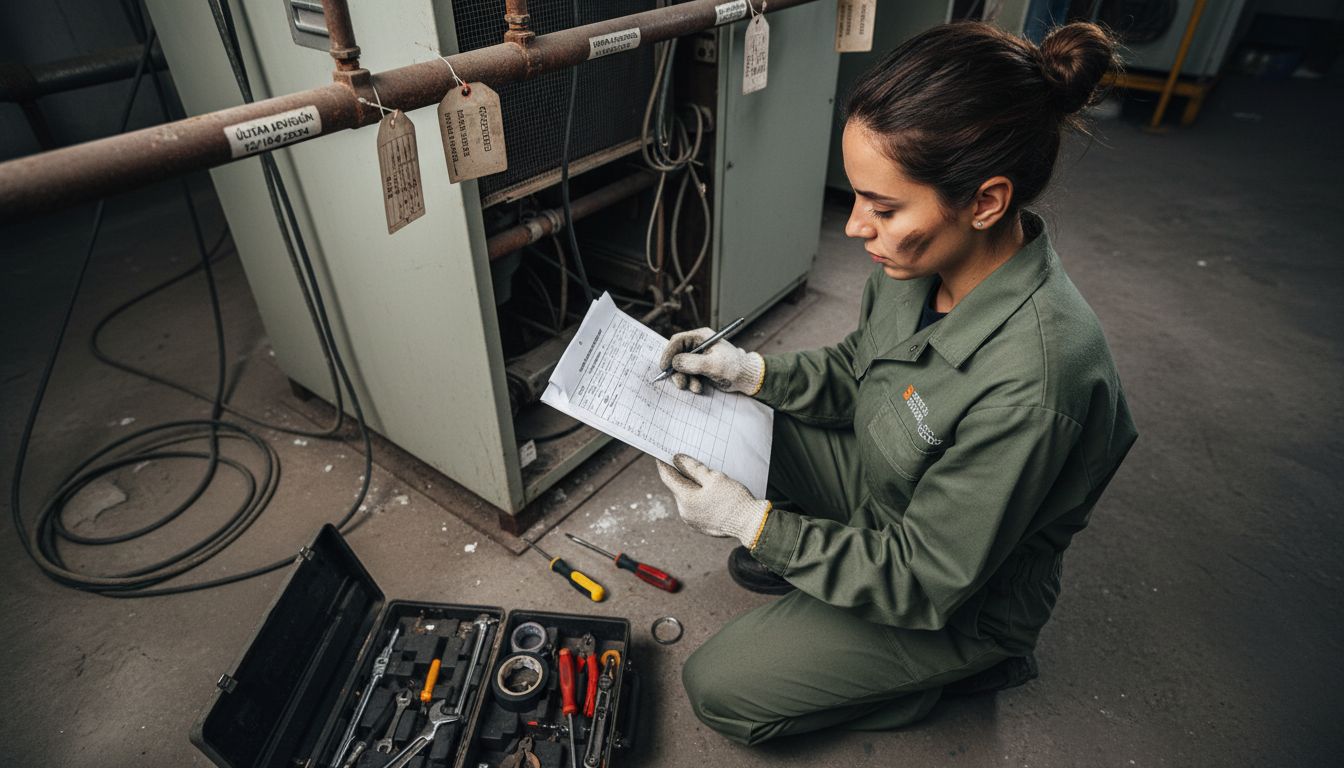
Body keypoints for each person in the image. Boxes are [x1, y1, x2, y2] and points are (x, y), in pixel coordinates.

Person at [654, 21, 1138, 745]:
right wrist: (749, 371)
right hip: (888, 488)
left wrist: (755, 525)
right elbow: (861, 367)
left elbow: (926, 575)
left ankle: (957, 670)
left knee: (719, 689)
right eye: (858, 199)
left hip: (955, 595)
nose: (856, 227)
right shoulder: (922, 263)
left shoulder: (1035, 384)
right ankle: (829, 564)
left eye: (883, 209)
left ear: (985, 202)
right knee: (726, 418)